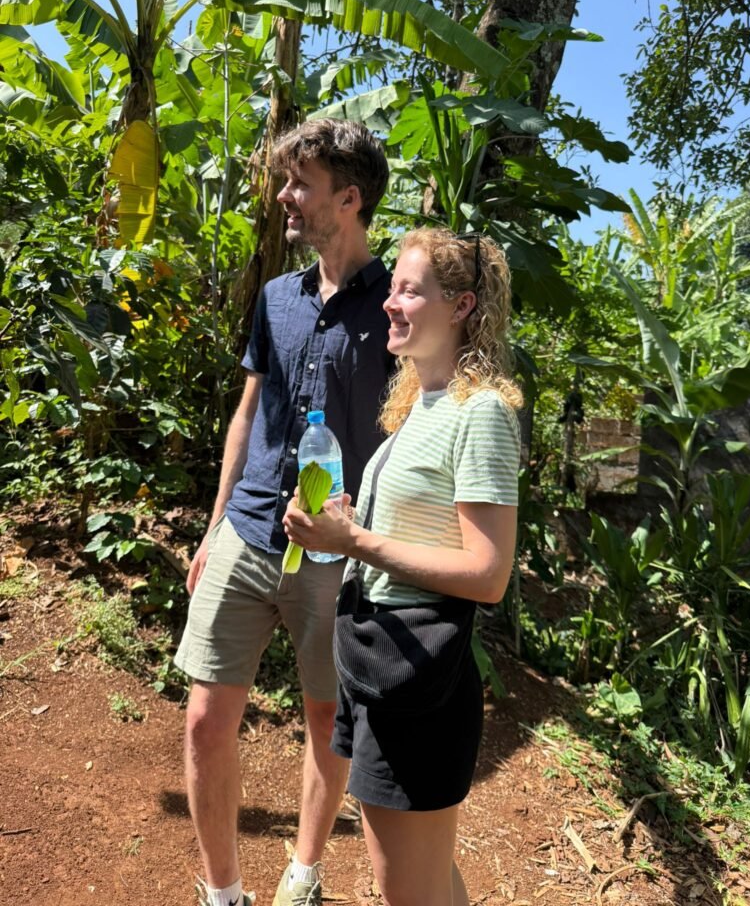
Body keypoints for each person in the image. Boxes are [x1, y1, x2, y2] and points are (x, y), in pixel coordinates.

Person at [174, 119, 394, 906]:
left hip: (334, 550)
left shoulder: (397, 306)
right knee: (204, 718)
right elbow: (248, 412)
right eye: (285, 181)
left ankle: (302, 872)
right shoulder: (277, 296)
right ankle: (222, 892)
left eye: (300, 183)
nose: (284, 197)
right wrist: (212, 524)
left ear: (350, 197)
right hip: (248, 528)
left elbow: (417, 422)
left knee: (327, 716)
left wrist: (376, 538)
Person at [283, 227, 522, 906]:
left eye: (409, 290)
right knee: (427, 874)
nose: (390, 302)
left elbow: (487, 573)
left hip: (415, 671)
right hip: (378, 655)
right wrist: (350, 524)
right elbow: (418, 531)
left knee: (405, 886)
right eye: (392, 287)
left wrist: (357, 543)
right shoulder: (419, 403)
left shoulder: (481, 416)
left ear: (462, 305)